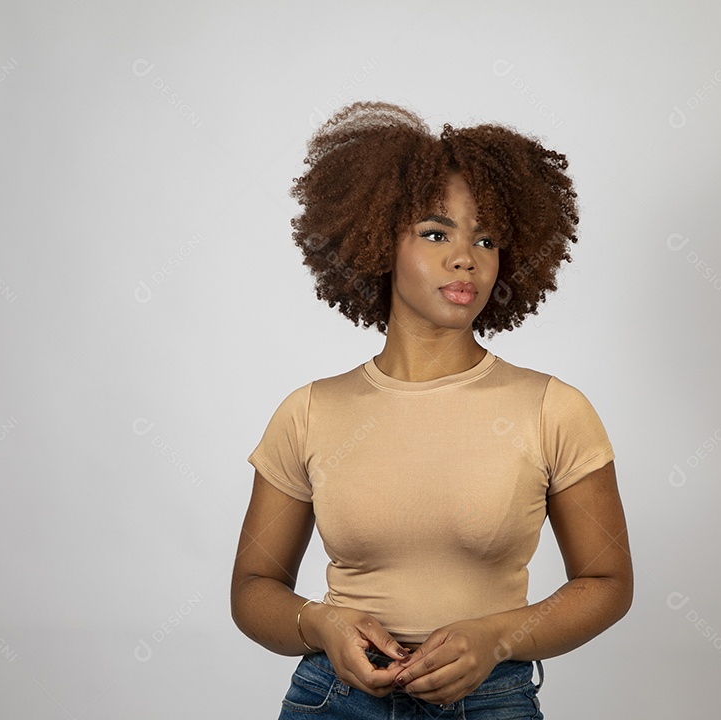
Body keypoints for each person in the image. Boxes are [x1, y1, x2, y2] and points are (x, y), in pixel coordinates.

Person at [231, 100, 632, 719]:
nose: (465, 256)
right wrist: (322, 626)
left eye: (486, 237)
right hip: (336, 700)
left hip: (491, 700)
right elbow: (253, 589)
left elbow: (607, 584)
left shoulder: (553, 409)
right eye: (436, 232)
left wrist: (499, 637)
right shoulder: (310, 412)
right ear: (377, 241)